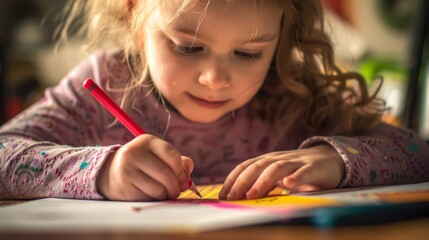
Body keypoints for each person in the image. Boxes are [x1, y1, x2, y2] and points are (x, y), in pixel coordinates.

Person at [0, 0, 428, 201]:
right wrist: (103, 171)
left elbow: (417, 152)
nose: (216, 80)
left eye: (248, 53)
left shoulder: (295, 96)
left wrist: (337, 162)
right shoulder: (102, 85)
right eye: (188, 47)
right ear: (133, 13)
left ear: (283, 36)